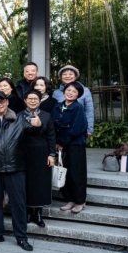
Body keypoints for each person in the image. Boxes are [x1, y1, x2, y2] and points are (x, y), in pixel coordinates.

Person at [0, 91, 34, 251]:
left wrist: (38, 125)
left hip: (15, 168)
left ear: (7, 102)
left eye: (2, 101)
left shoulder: (19, 119)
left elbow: (34, 132)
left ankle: (21, 237)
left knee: (18, 204)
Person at [21, 90, 56, 227]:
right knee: (27, 182)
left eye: (35, 98)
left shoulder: (46, 115)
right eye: (30, 98)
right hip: (24, 153)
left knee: (40, 182)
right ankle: (28, 212)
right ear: (25, 100)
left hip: (42, 152)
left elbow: (51, 136)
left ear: (40, 100)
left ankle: (39, 213)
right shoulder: (19, 115)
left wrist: (51, 154)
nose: (33, 101)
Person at [52, 82, 88, 214]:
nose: (70, 93)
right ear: (64, 92)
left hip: (75, 145)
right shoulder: (57, 106)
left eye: (74, 91)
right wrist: (56, 142)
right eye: (68, 90)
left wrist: (62, 142)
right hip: (60, 145)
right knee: (64, 172)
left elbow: (77, 128)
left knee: (76, 173)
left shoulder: (78, 107)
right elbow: (53, 125)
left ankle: (80, 201)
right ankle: (70, 199)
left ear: (78, 95)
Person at [52, 65, 94, 137]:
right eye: (64, 74)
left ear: (75, 76)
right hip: (60, 130)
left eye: (71, 74)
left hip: (79, 129)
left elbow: (89, 111)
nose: (67, 76)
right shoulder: (56, 93)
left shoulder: (85, 90)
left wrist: (89, 129)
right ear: (61, 77)